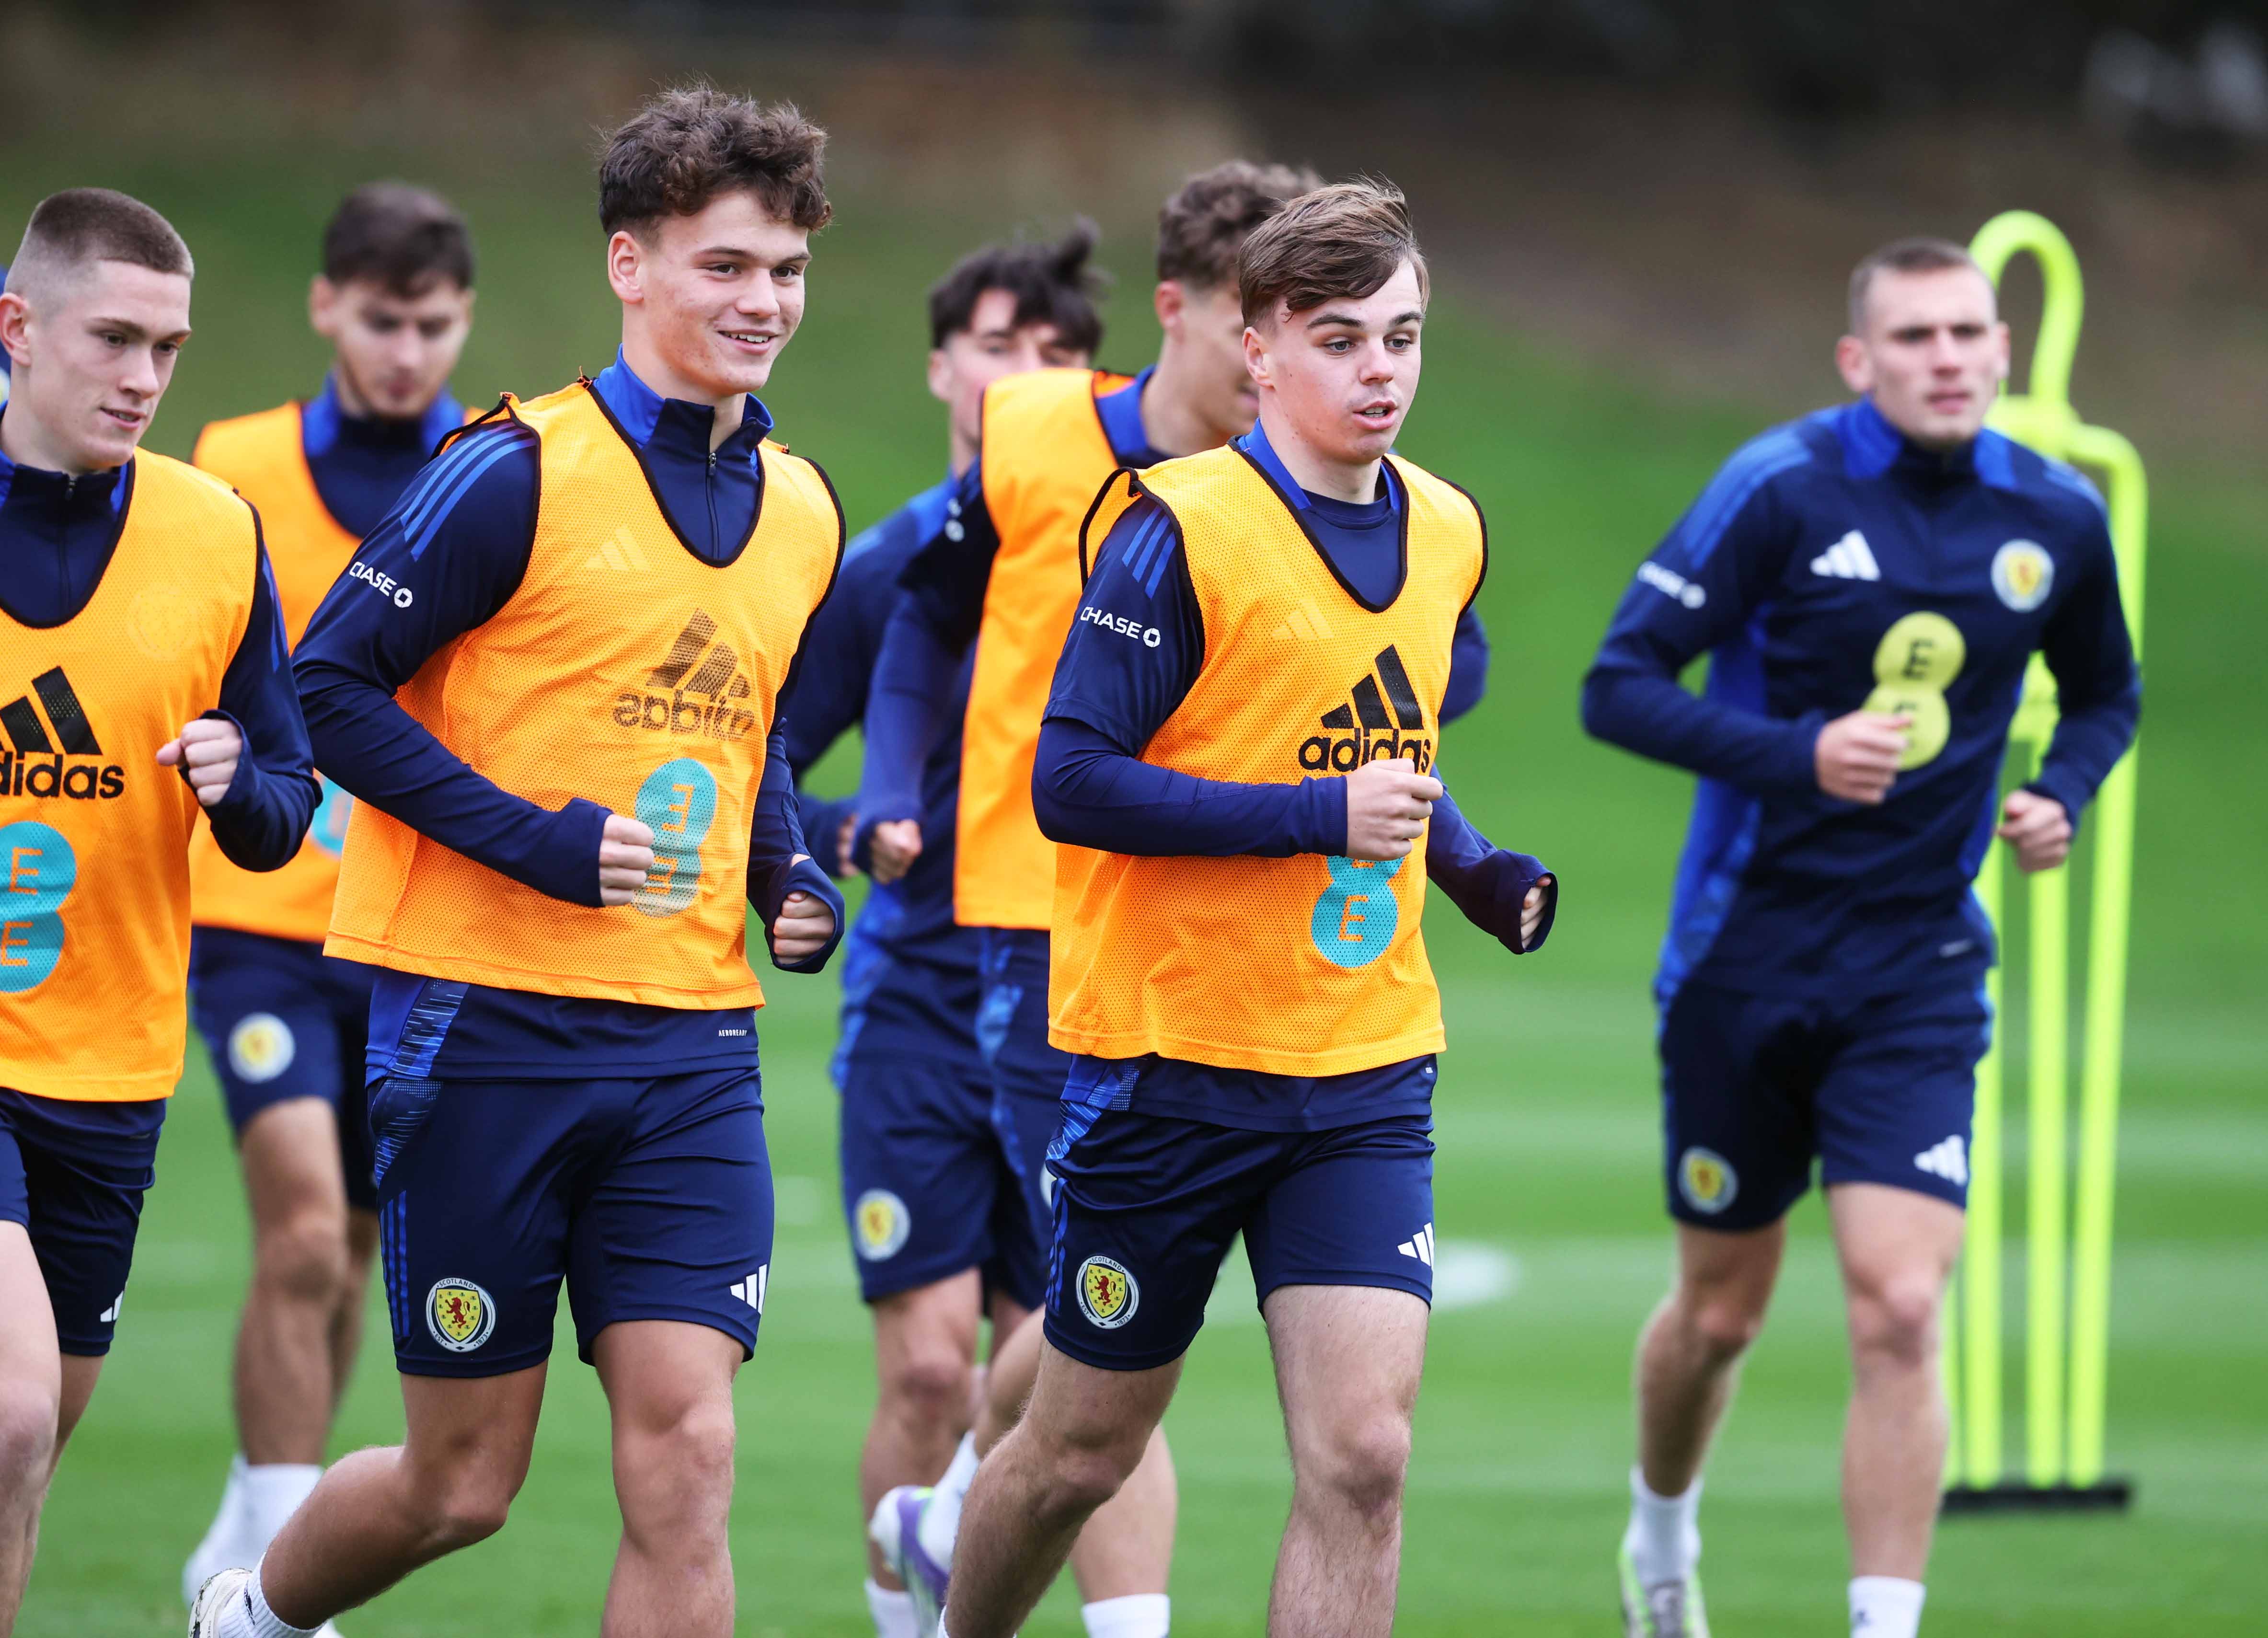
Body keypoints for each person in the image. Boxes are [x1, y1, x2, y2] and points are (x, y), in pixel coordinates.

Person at [188, 85, 847, 1638]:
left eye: (788, 272)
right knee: (461, 1483)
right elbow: (328, 688)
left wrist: (786, 875)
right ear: (630, 263)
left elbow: (737, 745)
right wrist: (541, 844)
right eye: (725, 266)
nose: (765, 302)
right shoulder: (512, 470)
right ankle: (256, 1615)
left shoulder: (805, 507)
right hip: (483, 1025)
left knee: (689, 1451)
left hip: (692, 1043)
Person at [933, 178, 1554, 1638]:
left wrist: (1471, 868)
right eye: (1340, 340)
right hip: (1169, 1067)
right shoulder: (1172, 527)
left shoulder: (1449, 526)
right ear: (1259, 348)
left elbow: (1375, 739)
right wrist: (1309, 821)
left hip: (1360, 1066)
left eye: (1402, 337)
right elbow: (1071, 783)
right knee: (1078, 1451)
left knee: (1364, 1453)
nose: (1381, 370)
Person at [1581, 237, 2141, 1638]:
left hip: (1919, 966)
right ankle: (1660, 1535)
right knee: (1718, 1317)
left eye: (1967, 333)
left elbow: (2106, 698)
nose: (1946, 359)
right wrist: (1794, 753)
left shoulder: (2060, 520)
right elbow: (1617, 685)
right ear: (1858, 361)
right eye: (1914, 338)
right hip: (1744, 956)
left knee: (1900, 1304)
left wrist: (2057, 795)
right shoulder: (1779, 487)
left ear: (2004, 351)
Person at [857, 158, 1320, 1638]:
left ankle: (951, 1506)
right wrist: (878, 794)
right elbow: (924, 613)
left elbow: (1440, 659)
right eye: (1255, 323)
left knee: (1099, 1305)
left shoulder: (1307, 471)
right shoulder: (1035, 432)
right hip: (1027, 928)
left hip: (1214, 944)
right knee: (1117, 1309)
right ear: (1178, 310)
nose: (1276, 361)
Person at [780, 223, 1108, 1638]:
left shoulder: (1138, 552)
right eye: (996, 347)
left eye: (1056, 354)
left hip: (1081, 989)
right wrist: (862, 832)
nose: (1026, 375)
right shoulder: (891, 564)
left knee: (1085, 1360)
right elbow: (769, 763)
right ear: (938, 370)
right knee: (925, 1372)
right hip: (918, 990)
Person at [0, 187, 316, 1636]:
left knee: (30, 1447)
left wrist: (239, 776)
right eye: (114, 338)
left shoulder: (213, 532)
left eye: (169, 348)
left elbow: (281, 806)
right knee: (7, 1417)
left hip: (116, 1068)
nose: (144, 377)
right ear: (19, 328)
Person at [180, 182, 477, 1618]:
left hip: (408, 927)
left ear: (463, 320)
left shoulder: (490, 470)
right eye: (379, 320)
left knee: (354, 1249)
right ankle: (282, 1562)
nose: (405, 351)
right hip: (254, 915)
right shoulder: (229, 467)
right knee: (302, 1227)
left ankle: (252, 1512)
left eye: (430, 325)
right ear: (323, 307)